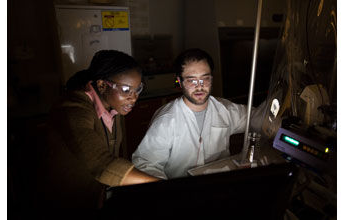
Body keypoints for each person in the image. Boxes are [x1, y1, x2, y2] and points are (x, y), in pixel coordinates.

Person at [39, 50, 160, 216]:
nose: (133, 98)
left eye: (137, 90)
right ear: (102, 85)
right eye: (126, 89)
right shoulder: (73, 108)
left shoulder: (113, 105)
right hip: (65, 204)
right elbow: (102, 163)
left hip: (95, 198)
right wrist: (161, 186)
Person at [132, 48, 254, 180]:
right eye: (191, 80)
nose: (199, 86)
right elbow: (146, 165)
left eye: (205, 79)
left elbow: (257, 117)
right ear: (179, 81)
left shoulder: (224, 109)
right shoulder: (166, 120)